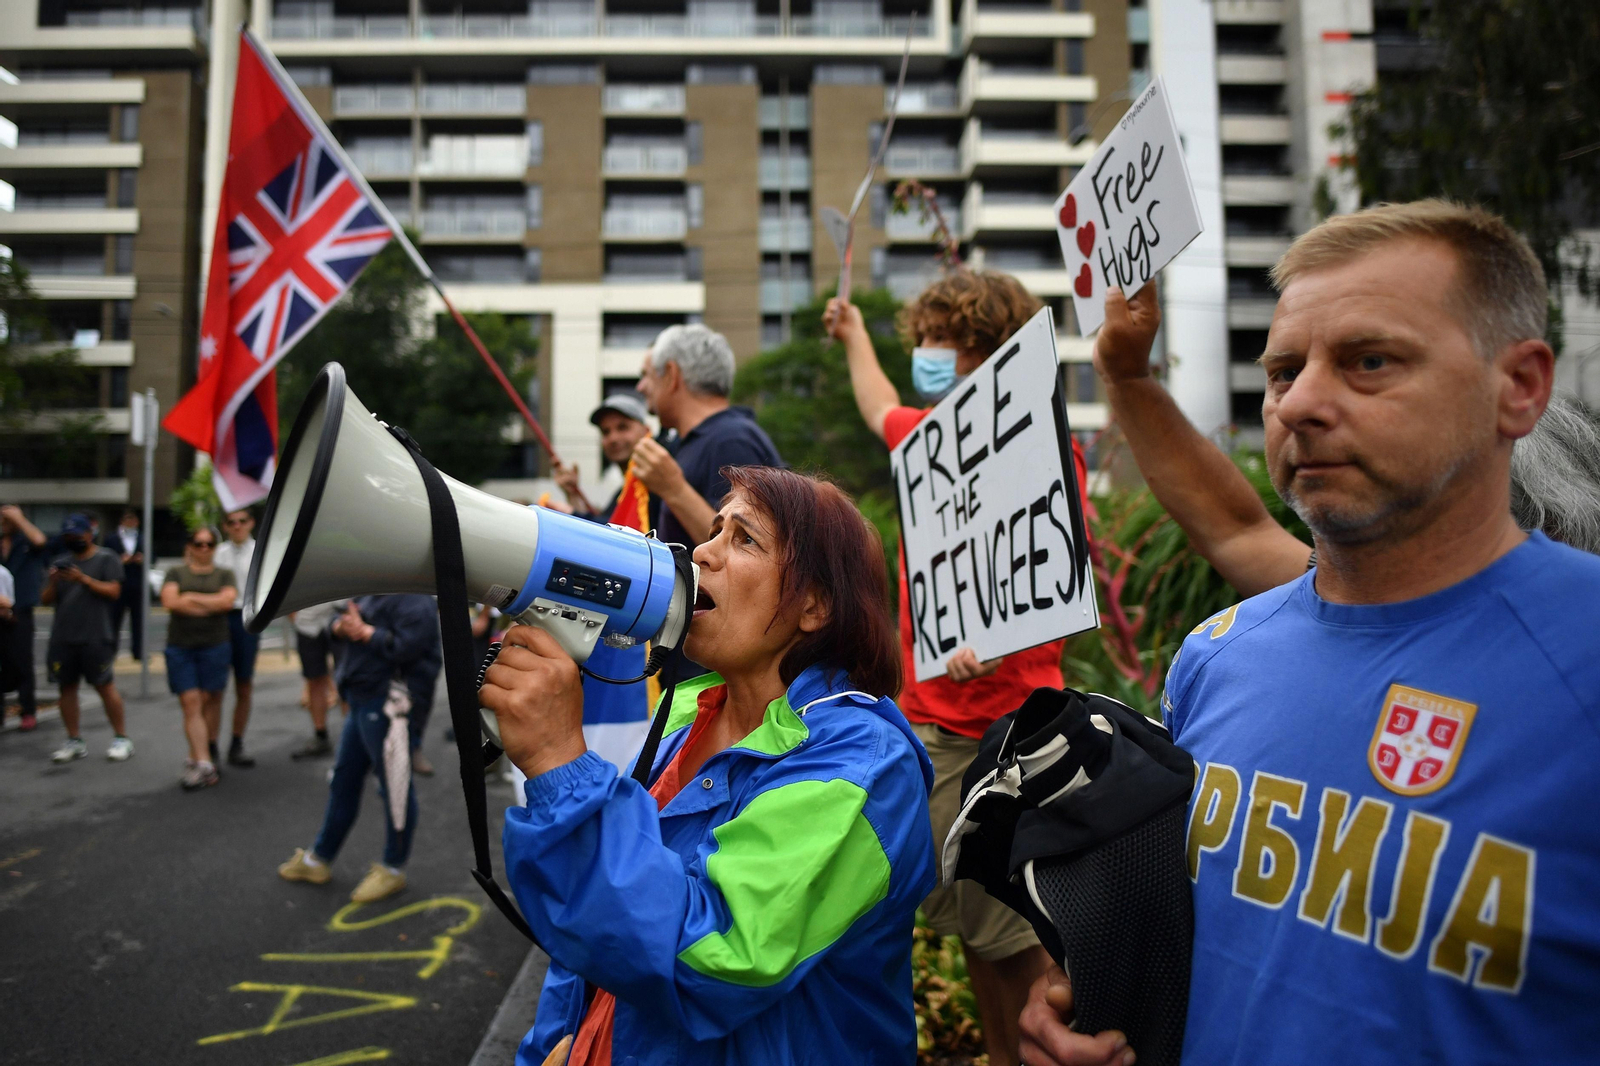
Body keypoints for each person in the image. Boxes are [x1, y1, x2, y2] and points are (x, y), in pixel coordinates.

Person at [1020, 200, 1600, 1066]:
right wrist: (1098, 1011)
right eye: (1284, 371)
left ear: (1518, 387)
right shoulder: (1219, 655)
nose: (1303, 404)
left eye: (1370, 362)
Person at [486, 466, 933, 1066]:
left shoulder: (862, 767)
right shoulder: (688, 712)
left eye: (744, 538)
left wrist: (558, 763)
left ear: (815, 606)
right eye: (715, 529)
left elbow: (713, 959)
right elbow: (593, 937)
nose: (702, 551)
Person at [824, 270, 1092, 1066]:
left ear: (986, 349)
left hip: (1009, 733)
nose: (927, 356)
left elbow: (1049, 576)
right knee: (975, 925)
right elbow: (876, 404)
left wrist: (1001, 642)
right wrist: (854, 336)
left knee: (1025, 939)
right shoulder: (929, 441)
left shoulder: (1042, 448)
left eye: (942, 340)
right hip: (935, 727)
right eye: (921, 341)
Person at [1084, 284, 1600, 601]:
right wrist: (1127, 379)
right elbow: (1237, 533)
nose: (1300, 407)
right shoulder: (1366, 595)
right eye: (1284, 373)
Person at [278, 594, 440, 903]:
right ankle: (319, 858)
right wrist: (342, 627)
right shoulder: (374, 585)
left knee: (393, 786)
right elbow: (336, 624)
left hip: (390, 703)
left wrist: (365, 632)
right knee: (345, 779)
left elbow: (411, 647)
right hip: (365, 697)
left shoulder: (413, 596)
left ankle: (393, 868)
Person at [632, 324, 784, 549]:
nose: (641, 387)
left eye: (650, 375)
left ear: (672, 375)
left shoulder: (731, 440)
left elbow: (746, 549)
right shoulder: (706, 439)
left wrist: (675, 490)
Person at [42, 514, 132, 765]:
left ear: (89, 534)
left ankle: (121, 738)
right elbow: (46, 599)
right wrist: (53, 582)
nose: (73, 540)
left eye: (77, 536)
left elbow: (114, 591)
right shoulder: (60, 562)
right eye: (68, 537)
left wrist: (83, 579)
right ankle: (74, 740)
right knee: (66, 688)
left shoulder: (106, 558)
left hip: (96, 635)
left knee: (105, 686)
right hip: (63, 636)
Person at [160, 527, 237, 790]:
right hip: (181, 646)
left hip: (214, 645)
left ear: (215, 547)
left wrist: (190, 597)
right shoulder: (175, 572)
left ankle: (204, 752)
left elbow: (226, 602)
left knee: (211, 698)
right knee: (191, 701)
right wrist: (209, 604)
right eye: (198, 543)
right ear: (190, 546)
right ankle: (202, 762)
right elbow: (170, 602)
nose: (204, 548)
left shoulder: (224, 574)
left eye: (209, 544)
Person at [552, 391, 653, 520]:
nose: (613, 438)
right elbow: (603, 530)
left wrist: (572, 513)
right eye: (605, 432)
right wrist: (573, 494)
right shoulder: (622, 495)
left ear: (647, 431)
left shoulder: (656, 487)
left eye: (623, 427)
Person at [214, 508, 260, 768]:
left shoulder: (259, 552)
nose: (237, 526)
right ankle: (210, 745)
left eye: (242, 521)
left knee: (244, 683)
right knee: (216, 686)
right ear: (226, 526)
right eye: (231, 522)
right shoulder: (218, 553)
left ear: (251, 523)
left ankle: (237, 741)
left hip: (246, 619)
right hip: (221, 618)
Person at [0, 504, 49, 731]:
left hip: (20, 609)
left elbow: (40, 540)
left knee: (22, 660)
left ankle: (27, 709)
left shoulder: (26, 542)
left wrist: (18, 518)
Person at [290, 601, 341, 759]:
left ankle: (357, 741)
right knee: (314, 680)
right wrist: (294, 616)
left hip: (340, 618)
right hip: (307, 624)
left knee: (348, 679)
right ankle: (321, 736)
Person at [108, 509, 146, 661]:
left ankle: (139, 652)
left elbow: (152, 556)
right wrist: (119, 561)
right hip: (119, 583)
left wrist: (142, 559)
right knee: (114, 620)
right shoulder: (112, 538)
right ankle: (111, 652)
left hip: (137, 584)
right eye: (127, 520)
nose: (131, 523)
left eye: (133, 520)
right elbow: (107, 557)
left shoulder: (143, 537)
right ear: (122, 522)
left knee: (138, 621)